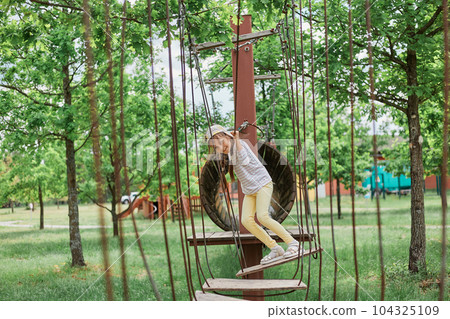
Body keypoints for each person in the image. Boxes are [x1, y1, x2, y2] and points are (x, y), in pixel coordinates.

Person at [205, 124, 301, 265]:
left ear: (227, 136)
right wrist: (220, 147)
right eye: (215, 145)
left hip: (262, 184)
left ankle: (293, 243)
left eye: (221, 141)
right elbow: (223, 164)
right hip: (250, 190)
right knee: (246, 221)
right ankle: (275, 247)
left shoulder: (241, 144)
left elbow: (244, 159)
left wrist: (236, 140)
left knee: (262, 217)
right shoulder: (227, 154)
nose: (220, 146)